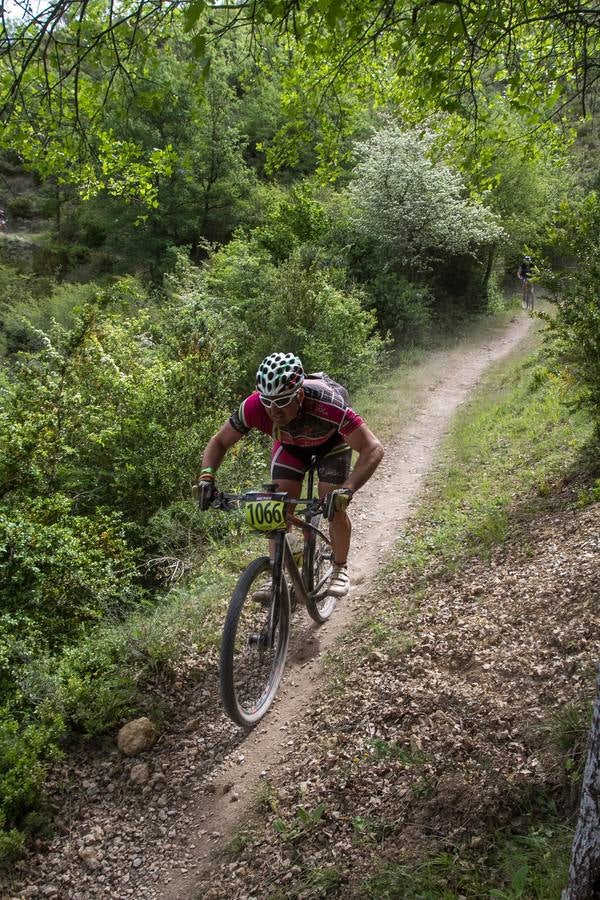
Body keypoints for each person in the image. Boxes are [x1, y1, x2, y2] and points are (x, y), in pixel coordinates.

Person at [196, 352, 384, 597]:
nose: (274, 410)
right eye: (268, 401)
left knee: (333, 504)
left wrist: (347, 489)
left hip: (331, 446)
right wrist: (206, 477)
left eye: (283, 401)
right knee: (276, 507)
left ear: (300, 394)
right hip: (291, 448)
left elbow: (373, 448)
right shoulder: (253, 407)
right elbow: (220, 442)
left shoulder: (328, 404)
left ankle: (339, 568)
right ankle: (278, 573)